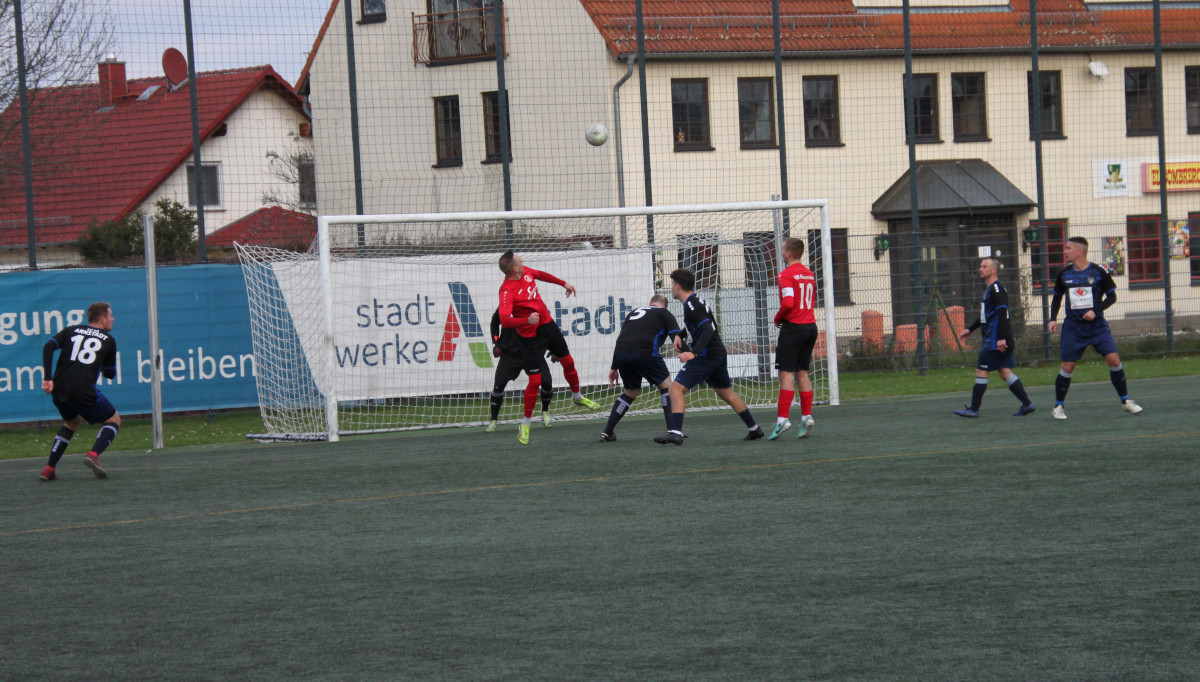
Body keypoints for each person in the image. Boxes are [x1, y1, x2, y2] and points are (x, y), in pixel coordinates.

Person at [497, 250, 601, 445]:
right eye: (518, 259)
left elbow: (541, 275)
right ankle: (525, 424)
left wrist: (563, 283)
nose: (522, 259)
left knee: (568, 361)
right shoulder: (506, 290)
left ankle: (577, 396)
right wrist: (525, 319)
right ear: (515, 268)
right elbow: (504, 320)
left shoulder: (525, 271)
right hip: (529, 337)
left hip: (548, 326)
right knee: (535, 381)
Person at [655, 268, 765, 445]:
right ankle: (754, 429)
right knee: (727, 393)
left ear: (678, 285)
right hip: (717, 354)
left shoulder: (692, 305)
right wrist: (681, 334)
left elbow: (708, 329)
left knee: (675, 389)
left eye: (672, 285)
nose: (671, 289)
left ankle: (675, 432)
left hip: (707, 357)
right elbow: (701, 325)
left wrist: (693, 352)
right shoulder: (695, 301)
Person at [1046, 236, 1143, 419]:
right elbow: (1057, 297)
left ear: (1079, 251)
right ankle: (1058, 407)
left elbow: (1112, 297)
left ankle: (1126, 401)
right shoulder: (1064, 274)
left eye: (1068, 248)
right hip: (1073, 328)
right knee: (1068, 366)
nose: (1065, 251)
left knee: (1114, 360)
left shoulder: (1098, 272)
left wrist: (1095, 311)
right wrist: (1052, 319)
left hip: (1097, 327)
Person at [39, 302, 121, 481]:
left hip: (59, 388)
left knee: (72, 422)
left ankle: (49, 468)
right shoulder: (108, 339)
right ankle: (93, 454)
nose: (113, 319)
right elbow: (110, 374)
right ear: (102, 319)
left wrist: (48, 377)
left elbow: (48, 347)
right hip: (82, 390)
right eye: (110, 315)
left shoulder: (71, 330)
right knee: (113, 420)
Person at [952, 257, 1035, 418]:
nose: (980, 269)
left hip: (995, 340)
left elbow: (1003, 314)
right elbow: (986, 316)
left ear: (994, 270)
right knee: (1004, 372)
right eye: (980, 266)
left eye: (984, 266)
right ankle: (1027, 404)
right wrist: (970, 329)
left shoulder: (996, 289)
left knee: (981, 370)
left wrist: (1001, 338)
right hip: (996, 338)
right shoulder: (990, 289)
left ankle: (974, 409)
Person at [600, 294, 684, 442]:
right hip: (645, 352)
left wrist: (614, 367)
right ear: (664, 305)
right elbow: (676, 338)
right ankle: (672, 429)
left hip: (622, 354)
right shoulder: (664, 313)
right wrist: (690, 353)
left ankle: (607, 432)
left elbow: (621, 338)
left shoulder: (633, 313)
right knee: (667, 387)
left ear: (650, 303)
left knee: (630, 392)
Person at [769, 237, 819, 440]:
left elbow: (789, 302)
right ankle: (807, 416)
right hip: (810, 326)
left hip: (794, 327)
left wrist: (778, 317)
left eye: (782, 250)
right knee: (802, 372)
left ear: (788, 253)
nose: (781, 253)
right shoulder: (809, 274)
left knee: (786, 373)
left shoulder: (785, 275)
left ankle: (782, 419)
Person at [485, 308, 553, 432]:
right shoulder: (505, 305)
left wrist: (553, 348)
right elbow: (494, 323)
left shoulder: (534, 305)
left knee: (547, 381)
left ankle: (545, 412)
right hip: (510, 354)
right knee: (498, 386)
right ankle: (493, 420)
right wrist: (496, 343)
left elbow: (547, 328)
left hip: (532, 353)